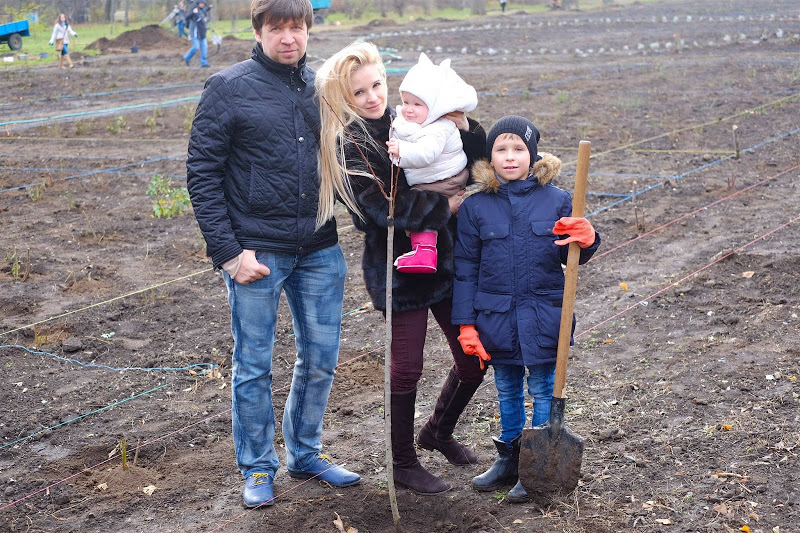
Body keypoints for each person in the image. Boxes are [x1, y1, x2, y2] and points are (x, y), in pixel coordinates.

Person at [186, 0, 360, 509]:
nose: (289, 38)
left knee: (321, 360)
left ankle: (304, 453)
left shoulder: (324, 87)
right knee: (254, 366)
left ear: (308, 31)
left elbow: (357, 148)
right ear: (258, 32)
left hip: (320, 249)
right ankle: (259, 467)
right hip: (257, 253)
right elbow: (202, 174)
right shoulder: (227, 88)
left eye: (298, 27)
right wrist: (228, 254)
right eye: (278, 28)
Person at [315, 41, 487, 495]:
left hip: (448, 261)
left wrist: (462, 124)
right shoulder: (348, 145)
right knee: (407, 367)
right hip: (399, 269)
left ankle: (438, 431)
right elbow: (377, 209)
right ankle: (402, 463)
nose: (372, 97)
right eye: (359, 92)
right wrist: (446, 205)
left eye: (377, 85)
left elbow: (467, 157)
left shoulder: (409, 116)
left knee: (473, 359)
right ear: (343, 98)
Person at [451, 115, 601, 503]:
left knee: (542, 387)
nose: (510, 156)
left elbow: (572, 255)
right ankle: (510, 459)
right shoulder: (475, 207)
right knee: (506, 389)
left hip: (544, 315)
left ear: (532, 155)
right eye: (501, 149)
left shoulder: (557, 200)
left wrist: (588, 239)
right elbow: (465, 268)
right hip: (497, 317)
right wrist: (465, 324)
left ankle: (537, 464)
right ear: (490, 157)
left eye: (518, 148)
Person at [386, 52, 477, 274]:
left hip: (444, 179)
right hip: (437, 177)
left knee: (419, 203)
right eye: (406, 102)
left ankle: (425, 251)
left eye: (417, 104)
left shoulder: (438, 127)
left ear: (435, 106)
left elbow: (427, 154)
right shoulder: (416, 122)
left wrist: (401, 150)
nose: (408, 108)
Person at [184, 0, 212, 67]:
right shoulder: (193, 10)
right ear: (198, 3)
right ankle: (187, 58)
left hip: (202, 33)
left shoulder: (203, 11)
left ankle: (204, 63)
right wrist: (193, 12)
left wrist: (206, 19)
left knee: (204, 48)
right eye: (201, 3)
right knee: (196, 47)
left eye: (203, 3)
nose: (202, 5)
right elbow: (187, 18)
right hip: (195, 33)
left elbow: (207, 18)